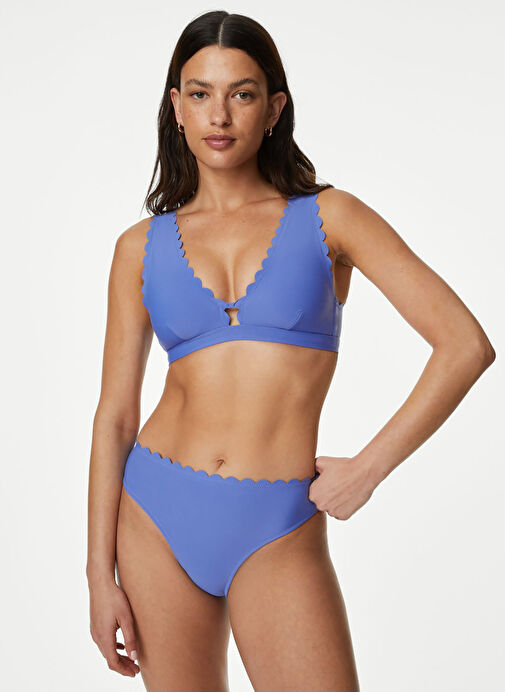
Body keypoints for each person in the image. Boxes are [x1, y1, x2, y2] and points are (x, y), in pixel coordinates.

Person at [86, 10, 496, 692]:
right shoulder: (138, 247)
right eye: (200, 93)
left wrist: (367, 469)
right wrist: (98, 575)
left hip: (276, 523)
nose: (219, 114)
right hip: (155, 514)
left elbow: (464, 345)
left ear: (274, 108)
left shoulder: (331, 217)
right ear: (176, 107)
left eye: (242, 93)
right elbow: (115, 417)